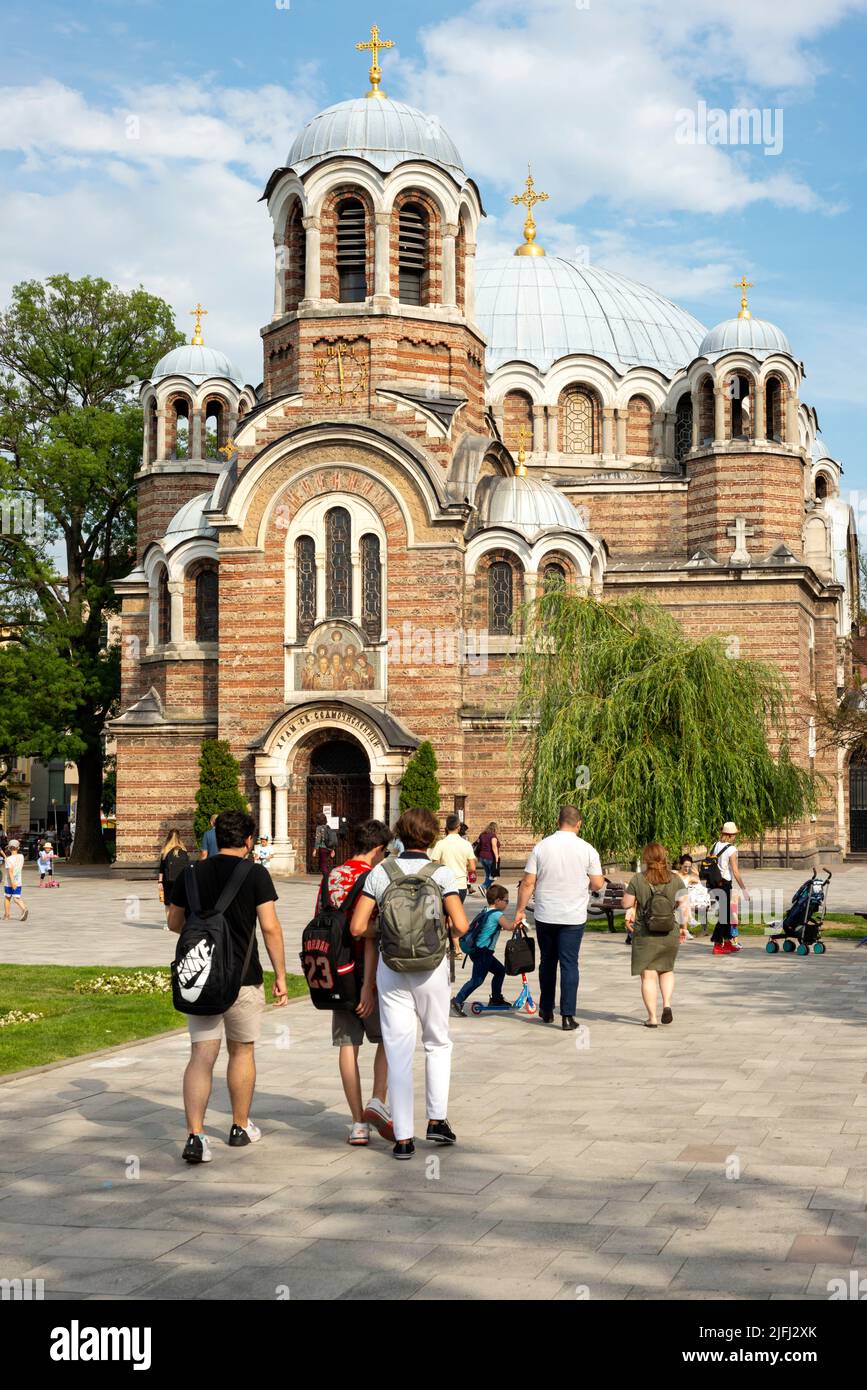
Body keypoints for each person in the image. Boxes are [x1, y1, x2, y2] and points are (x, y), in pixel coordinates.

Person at [167, 811, 288, 1164]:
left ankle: (195, 1137)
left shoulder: (190, 872)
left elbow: (175, 922)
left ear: (215, 837)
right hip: (243, 977)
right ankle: (239, 1126)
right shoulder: (255, 874)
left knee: (201, 1056)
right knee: (242, 1052)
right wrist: (280, 974)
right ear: (249, 841)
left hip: (200, 977)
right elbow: (270, 928)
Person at [350, 807, 470, 1160]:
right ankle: (437, 1120)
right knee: (437, 1041)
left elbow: (358, 928)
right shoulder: (442, 874)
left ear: (398, 835)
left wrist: (387, 931)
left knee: (399, 1050)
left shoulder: (381, 873)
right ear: (432, 836)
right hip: (432, 968)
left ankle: (403, 1138)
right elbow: (461, 925)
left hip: (392, 968)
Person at [314, 819, 394, 1146]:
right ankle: (377, 1101)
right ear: (377, 849)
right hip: (365, 972)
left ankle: (358, 1123)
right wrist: (368, 986)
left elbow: (320, 919)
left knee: (348, 1045)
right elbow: (369, 934)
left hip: (337, 969)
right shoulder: (375, 877)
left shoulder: (332, 874)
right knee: (389, 1038)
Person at [514, 805, 604, 1030]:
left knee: (547, 961)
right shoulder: (587, 849)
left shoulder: (541, 847)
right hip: (573, 915)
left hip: (546, 913)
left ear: (558, 822)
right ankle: (567, 1015)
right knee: (569, 963)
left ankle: (546, 1009)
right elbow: (598, 883)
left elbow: (528, 882)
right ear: (578, 824)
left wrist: (520, 910)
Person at [623, 843, 690, 1028]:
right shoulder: (675, 879)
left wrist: (632, 899)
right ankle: (667, 1004)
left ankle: (652, 1018)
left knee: (648, 975)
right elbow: (684, 906)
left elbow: (625, 903)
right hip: (669, 932)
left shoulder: (638, 879)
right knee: (667, 970)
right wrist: (683, 928)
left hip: (645, 934)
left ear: (646, 859)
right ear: (664, 857)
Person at [451, 883, 521, 1015]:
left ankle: (496, 998)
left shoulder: (486, 910)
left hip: (479, 951)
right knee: (477, 980)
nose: (507, 903)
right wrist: (519, 922)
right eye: (506, 900)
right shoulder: (496, 914)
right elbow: (509, 926)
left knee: (500, 971)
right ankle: (457, 1001)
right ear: (498, 901)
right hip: (483, 952)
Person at [708, 822, 749, 956]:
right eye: (735, 835)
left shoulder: (714, 845)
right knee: (725, 916)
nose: (735, 837)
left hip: (714, 883)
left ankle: (728, 942)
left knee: (726, 914)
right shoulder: (731, 849)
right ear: (731, 835)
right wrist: (744, 889)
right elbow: (735, 871)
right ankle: (717, 943)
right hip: (724, 883)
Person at [158, 830, 190, 926]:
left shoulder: (165, 851)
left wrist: (160, 882)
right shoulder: (184, 851)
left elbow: (162, 869)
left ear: (169, 837)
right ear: (179, 838)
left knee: (168, 903)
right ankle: (182, 922)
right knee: (181, 901)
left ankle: (169, 923)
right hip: (181, 880)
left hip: (168, 880)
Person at [3, 840, 29, 922]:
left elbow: (10, 871)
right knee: (16, 898)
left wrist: (12, 882)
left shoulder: (8, 859)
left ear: (9, 849)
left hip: (9, 882)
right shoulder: (21, 856)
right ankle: (24, 908)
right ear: (18, 848)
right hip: (18, 881)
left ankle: (7, 915)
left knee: (7, 897)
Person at [475, 822, 500, 890]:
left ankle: (486, 890)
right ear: (495, 828)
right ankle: (483, 886)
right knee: (494, 876)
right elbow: (494, 847)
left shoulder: (482, 834)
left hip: (482, 858)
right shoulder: (493, 836)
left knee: (488, 874)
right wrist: (497, 857)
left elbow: (477, 843)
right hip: (490, 858)